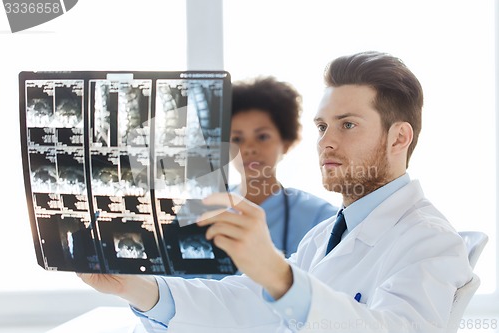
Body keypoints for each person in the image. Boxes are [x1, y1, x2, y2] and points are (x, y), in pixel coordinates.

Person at [79, 51, 473, 332]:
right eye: (322, 127)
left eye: (347, 125)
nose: (326, 143)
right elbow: (243, 302)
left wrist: (277, 274)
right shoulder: (325, 237)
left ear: (399, 137)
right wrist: (132, 285)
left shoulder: (431, 241)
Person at [229, 76, 338, 256]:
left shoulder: (321, 217)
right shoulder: (204, 210)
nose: (249, 149)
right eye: (237, 139)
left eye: (262, 137)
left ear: (286, 142)